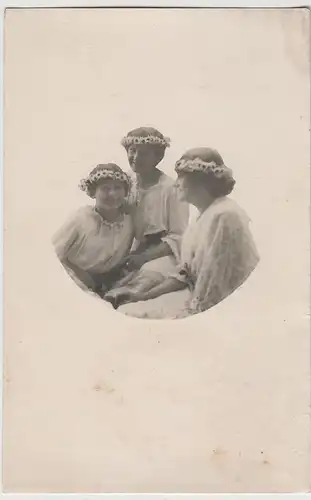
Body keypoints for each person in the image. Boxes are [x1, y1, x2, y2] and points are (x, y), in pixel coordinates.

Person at [117, 147, 260, 319]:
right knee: (128, 307)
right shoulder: (203, 216)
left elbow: (213, 286)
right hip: (197, 298)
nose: (176, 183)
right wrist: (143, 296)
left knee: (130, 313)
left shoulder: (224, 216)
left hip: (228, 309)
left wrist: (191, 316)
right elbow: (185, 274)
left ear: (200, 182)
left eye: (181, 178)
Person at [104, 127, 189, 308]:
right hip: (131, 249)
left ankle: (127, 296)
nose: (135, 158)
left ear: (158, 158)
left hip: (161, 253)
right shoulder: (126, 181)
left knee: (144, 279)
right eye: (132, 151)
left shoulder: (171, 189)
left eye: (143, 154)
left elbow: (179, 236)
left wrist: (144, 257)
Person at [52, 163, 134, 296]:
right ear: (93, 192)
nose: (112, 194)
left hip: (104, 283)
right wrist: (80, 275)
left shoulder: (129, 224)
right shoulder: (80, 218)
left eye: (117, 188)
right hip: (70, 275)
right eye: (105, 188)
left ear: (125, 192)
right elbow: (55, 254)